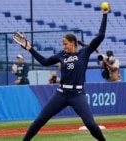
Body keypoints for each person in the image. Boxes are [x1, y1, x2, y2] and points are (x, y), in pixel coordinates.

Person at [15, 7, 109, 141]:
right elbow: (44, 62)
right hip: (61, 93)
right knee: (40, 119)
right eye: (63, 44)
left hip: (77, 95)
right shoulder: (61, 55)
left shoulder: (84, 52)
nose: (64, 46)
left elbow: (100, 36)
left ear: (73, 43)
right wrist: (30, 48)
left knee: (90, 124)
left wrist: (105, 15)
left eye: (65, 44)